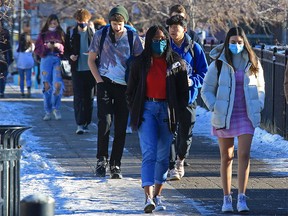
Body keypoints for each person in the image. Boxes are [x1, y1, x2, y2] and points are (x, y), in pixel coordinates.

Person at [200, 26, 265, 213]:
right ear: (227, 43)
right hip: (224, 115)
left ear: (244, 43)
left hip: (246, 114)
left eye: (239, 42)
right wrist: (215, 106)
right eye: (232, 42)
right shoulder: (218, 63)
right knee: (226, 157)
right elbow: (206, 90)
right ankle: (226, 198)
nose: (236, 45)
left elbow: (261, 87)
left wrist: (258, 105)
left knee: (244, 155)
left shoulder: (253, 62)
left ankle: (242, 197)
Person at [126, 25, 189, 213]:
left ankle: (158, 195)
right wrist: (135, 108)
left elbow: (183, 94)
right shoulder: (139, 63)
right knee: (149, 153)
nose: (159, 43)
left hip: (167, 112)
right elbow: (130, 91)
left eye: (163, 39)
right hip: (147, 109)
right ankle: (147, 197)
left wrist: (177, 112)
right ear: (148, 42)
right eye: (155, 39)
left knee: (163, 156)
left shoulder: (176, 63)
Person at [88, 5, 143, 179]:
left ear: (125, 22)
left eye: (119, 23)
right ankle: (101, 160)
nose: (116, 26)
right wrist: (99, 81)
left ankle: (115, 164)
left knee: (120, 126)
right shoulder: (100, 35)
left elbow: (140, 62)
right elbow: (91, 60)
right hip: (105, 82)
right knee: (104, 122)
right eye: (113, 22)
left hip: (124, 86)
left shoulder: (132, 36)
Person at [166, 15, 208, 180]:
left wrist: (193, 81)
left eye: (177, 28)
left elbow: (204, 73)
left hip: (188, 96)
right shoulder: (165, 47)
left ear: (184, 29)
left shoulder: (194, 48)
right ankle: (171, 166)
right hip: (169, 96)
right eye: (171, 28)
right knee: (170, 132)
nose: (173, 31)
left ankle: (180, 160)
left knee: (186, 133)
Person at [65, 8, 95, 134]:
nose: (82, 23)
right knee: (78, 97)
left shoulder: (93, 33)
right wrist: (70, 56)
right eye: (80, 20)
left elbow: (99, 49)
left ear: (88, 20)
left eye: (84, 20)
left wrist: (94, 54)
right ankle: (79, 124)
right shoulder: (71, 33)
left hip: (91, 69)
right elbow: (66, 50)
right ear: (76, 20)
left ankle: (87, 122)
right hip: (77, 69)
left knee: (89, 98)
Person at [34, 14, 65, 121]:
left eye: (55, 22)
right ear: (48, 22)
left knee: (58, 84)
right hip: (46, 59)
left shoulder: (61, 33)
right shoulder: (43, 34)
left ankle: (56, 108)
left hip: (57, 59)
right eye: (51, 22)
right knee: (46, 84)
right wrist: (46, 46)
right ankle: (47, 110)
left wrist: (59, 46)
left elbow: (67, 47)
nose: (53, 24)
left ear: (58, 22)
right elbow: (37, 48)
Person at [14, 32, 35, 98]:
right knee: (28, 78)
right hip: (29, 63)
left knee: (22, 78)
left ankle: (22, 92)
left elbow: (15, 55)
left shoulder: (18, 46)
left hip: (21, 63)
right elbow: (33, 53)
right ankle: (29, 90)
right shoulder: (32, 45)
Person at [0, 19, 13, 98]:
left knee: (3, 74)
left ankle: (1, 90)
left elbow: (8, 45)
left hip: (4, 56)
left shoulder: (6, 32)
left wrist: (10, 57)